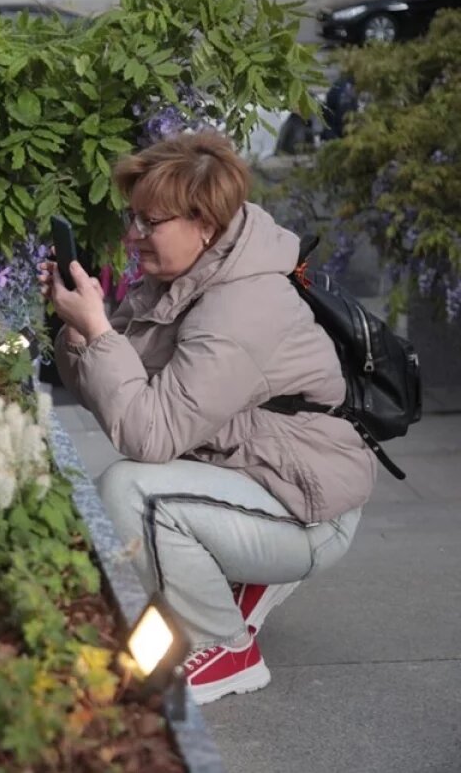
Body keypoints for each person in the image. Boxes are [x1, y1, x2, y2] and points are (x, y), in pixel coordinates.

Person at [38, 131, 375, 705]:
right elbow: (120, 396)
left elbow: (148, 434)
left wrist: (99, 332)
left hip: (307, 509)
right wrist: (80, 331)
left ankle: (227, 647)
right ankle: (235, 587)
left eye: (150, 222)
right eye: (133, 217)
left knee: (132, 492)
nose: (132, 235)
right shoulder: (184, 278)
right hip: (255, 476)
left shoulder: (241, 305)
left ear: (206, 225)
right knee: (132, 490)